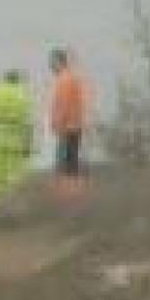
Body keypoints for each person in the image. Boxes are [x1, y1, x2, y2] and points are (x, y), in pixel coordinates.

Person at [0, 69, 33, 211]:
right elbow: (28, 123)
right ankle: (13, 208)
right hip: (15, 139)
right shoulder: (22, 95)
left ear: (5, 79)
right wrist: (28, 144)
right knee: (14, 175)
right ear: (18, 80)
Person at [48, 47, 87, 202]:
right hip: (74, 126)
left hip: (67, 127)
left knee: (65, 165)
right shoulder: (71, 78)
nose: (50, 66)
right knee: (72, 164)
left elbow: (62, 105)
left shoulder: (64, 80)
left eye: (52, 62)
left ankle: (66, 198)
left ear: (59, 62)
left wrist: (57, 125)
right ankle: (73, 197)